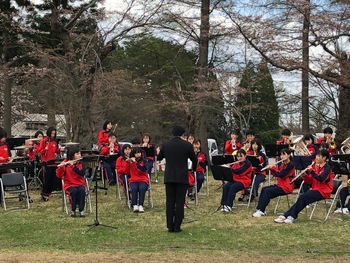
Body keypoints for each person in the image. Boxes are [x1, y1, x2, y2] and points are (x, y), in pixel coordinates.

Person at [274, 149, 333, 223]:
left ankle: (292, 216)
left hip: (324, 192)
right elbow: (311, 182)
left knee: (303, 197)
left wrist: (311, 171)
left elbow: (321, 179)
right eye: (316, 156)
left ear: (324, 158)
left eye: (318, 156)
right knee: (303, 198)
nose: (316, 157)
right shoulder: (316, 167)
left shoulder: (327, 168)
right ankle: (287, 215)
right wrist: (305, 176)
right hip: (316, 189)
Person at [157, 125, 197, 233]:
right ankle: (177, 225)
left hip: (169, 176)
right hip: (182, 176)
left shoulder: (166, 144)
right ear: (182, 134)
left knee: (170, 201)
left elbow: (159, 157)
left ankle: (170, 225)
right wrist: (193, 169)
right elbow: (194, 159)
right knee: (180, 201)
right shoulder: (187, 145)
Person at [252, 148, 295, 217]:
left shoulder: (291, 165)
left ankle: (261, 210)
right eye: (281, 154)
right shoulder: (282, 164)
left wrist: (273, 168)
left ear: (289, 155)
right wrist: (271, 169)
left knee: (267, 192)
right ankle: (260, 209)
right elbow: (276, 174)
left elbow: (281, 174)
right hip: (280, 185)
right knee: (264, 189)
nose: (282, 156)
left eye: (284, 154)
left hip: (286, 187)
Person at [56, 146, 87, 218]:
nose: (79, 155)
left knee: (82, 190)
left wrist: (73, 166)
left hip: (80, 183)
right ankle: (73, 210)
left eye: (80, 153)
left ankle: (81, 210)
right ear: (72, 155)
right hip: (69, 185)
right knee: (73, 191)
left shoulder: (81, 163)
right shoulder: (66, 163)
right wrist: (61, 167)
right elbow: (59, 175)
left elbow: (82, 173)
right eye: (77, 154)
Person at [38, 126, 61, 201]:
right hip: (46, 162)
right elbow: (40, 151)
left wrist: (60, 149)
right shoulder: (44, 141)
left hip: (53, 162)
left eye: (54, 134)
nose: (53, 135)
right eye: (52, 133)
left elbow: (56, 150)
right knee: (46, 178)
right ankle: (44, 193)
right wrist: (45, 149)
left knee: (52, 178)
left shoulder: (55, 141)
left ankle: (49, 192)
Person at [129, 147, 149, 213]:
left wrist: (136, 163)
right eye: (136, 153)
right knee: (134, 188)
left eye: (139, 153)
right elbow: (126, 171)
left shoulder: (144, 161)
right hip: (133, 179)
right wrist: (127, 162)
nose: (138, 154)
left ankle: (141, 205)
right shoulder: (130, 161)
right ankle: (134, 205)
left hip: (143, 179)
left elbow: (144, 170)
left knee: (142, 188)